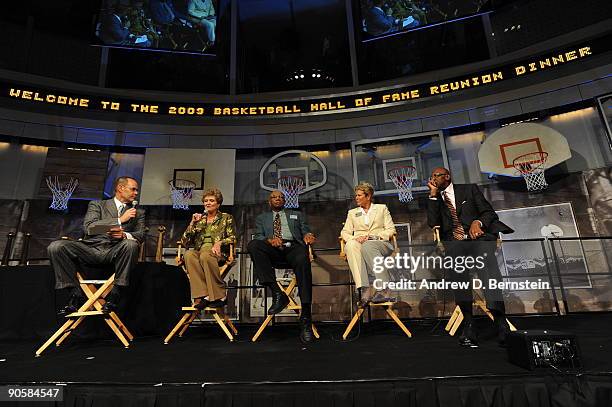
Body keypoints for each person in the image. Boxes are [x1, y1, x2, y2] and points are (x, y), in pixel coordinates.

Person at [427, 167, 514, 347]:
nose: (433, 178)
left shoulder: (469, 189)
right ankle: (469, 323)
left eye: (437, 175)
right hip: (455, 242)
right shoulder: (436, 199)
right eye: (432, 176)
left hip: (477, 238)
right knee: (458, 276)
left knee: (489, 272)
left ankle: (500, 321)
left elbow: (489, 213)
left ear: (447, 176)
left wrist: (478, 221)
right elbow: (433, 223)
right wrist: (433, 196)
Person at [48, 176, 145, 315]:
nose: (136, 193)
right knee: (56, 247)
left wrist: (124, 236)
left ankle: (115, 295)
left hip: (116, 250)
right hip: (91, 248)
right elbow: (89, 228)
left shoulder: (139, 212)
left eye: (137, 190)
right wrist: (119, 220)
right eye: (133, 189)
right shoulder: (97, 205)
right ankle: (75, 294)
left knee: (130, 244)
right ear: (120, 188)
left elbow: (141, 235)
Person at [247, 190, 317, 343]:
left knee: (303, 258)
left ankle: (306, 317)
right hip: (273, 249)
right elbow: (259, 235)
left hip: (293, 248)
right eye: (274, 197)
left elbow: (306, 230)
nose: (278, 199)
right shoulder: (262, 218)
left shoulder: (296, 214)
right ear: (269, 201)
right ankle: (278, 293)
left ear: (285, 200)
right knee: (253, 245)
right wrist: (270, 240)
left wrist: (308, 235)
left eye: (281, 197)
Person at [341, 182, 397, 306]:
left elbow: (391, 229)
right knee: (350, 245)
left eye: (359, 195)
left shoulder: (382, 208)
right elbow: (345, 233)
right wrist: (356, 238)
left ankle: (384, 288)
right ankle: (364, 288)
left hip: (380, 243)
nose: (356, 198)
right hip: (360, 243)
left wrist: (373, 236)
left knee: (368, 245)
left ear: (368, 196)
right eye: (356, 195)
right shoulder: (352, 213)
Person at [180, 188, 236, 309]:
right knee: (189, 255)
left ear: (218, 203)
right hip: (200, 252)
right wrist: (192, 223)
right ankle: (202, 295)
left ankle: (220, 295)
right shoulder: (199, 219)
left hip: (218, 253)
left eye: (211, 200)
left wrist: (219, 243)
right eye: (205, 201)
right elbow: (185, 241)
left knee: (205, 254)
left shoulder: (226, 217)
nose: (208, 203)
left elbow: (233, 238)